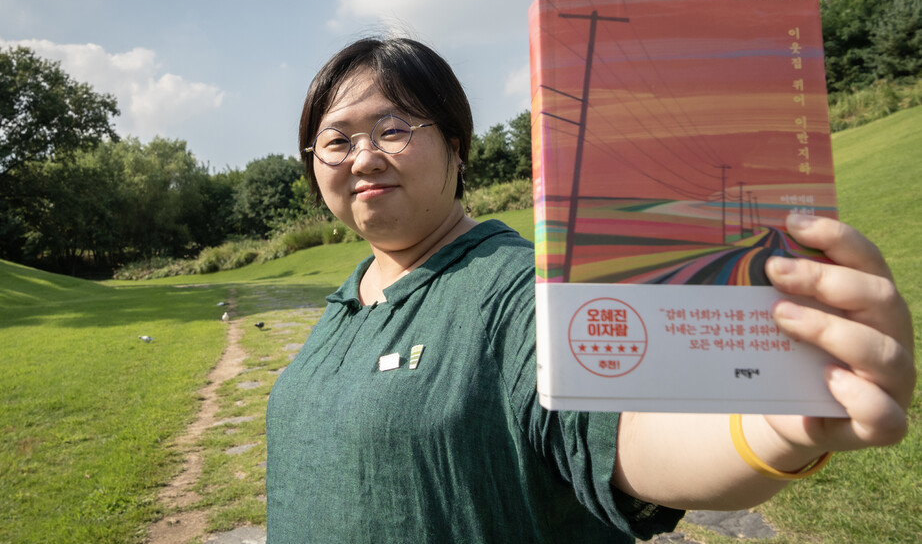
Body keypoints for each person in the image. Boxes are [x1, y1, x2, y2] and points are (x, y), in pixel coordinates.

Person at [265, 36, 915, 543]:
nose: (363, 156)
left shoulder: (524, 291)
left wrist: (773, 424)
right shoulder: (345, 302)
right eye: (336, 140)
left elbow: (623, 434)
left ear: (457, 149)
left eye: (392, 129)